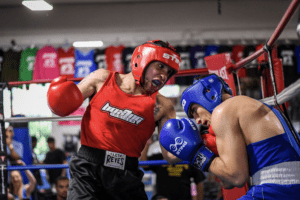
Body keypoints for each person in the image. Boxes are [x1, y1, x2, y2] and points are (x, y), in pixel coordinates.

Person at [47, 40, 182, 199]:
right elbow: (63, 106)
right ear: (143, 60)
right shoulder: (101, 79)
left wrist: (194, 145)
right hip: (88, 171)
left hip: (127, 175)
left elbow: (170, 156)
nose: (163, 75)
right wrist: (59, 98)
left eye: (168, 72)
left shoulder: (163, 106)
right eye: (160, 66)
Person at [160, 73, 300, 199]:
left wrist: (197, 155)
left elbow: (237, 177)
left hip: (276, 190)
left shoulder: (223, 111)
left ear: (208, 95)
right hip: (287, 188)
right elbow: (228, 184)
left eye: (194, 110)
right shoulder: (250, 106)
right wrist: (214, 151)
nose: (197, 120)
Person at [140, 136, 206, 200]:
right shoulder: (160, 157)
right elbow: (144, 164)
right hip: (164, 198)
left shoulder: (188, 158)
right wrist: (147, 144)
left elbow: (199, 182)